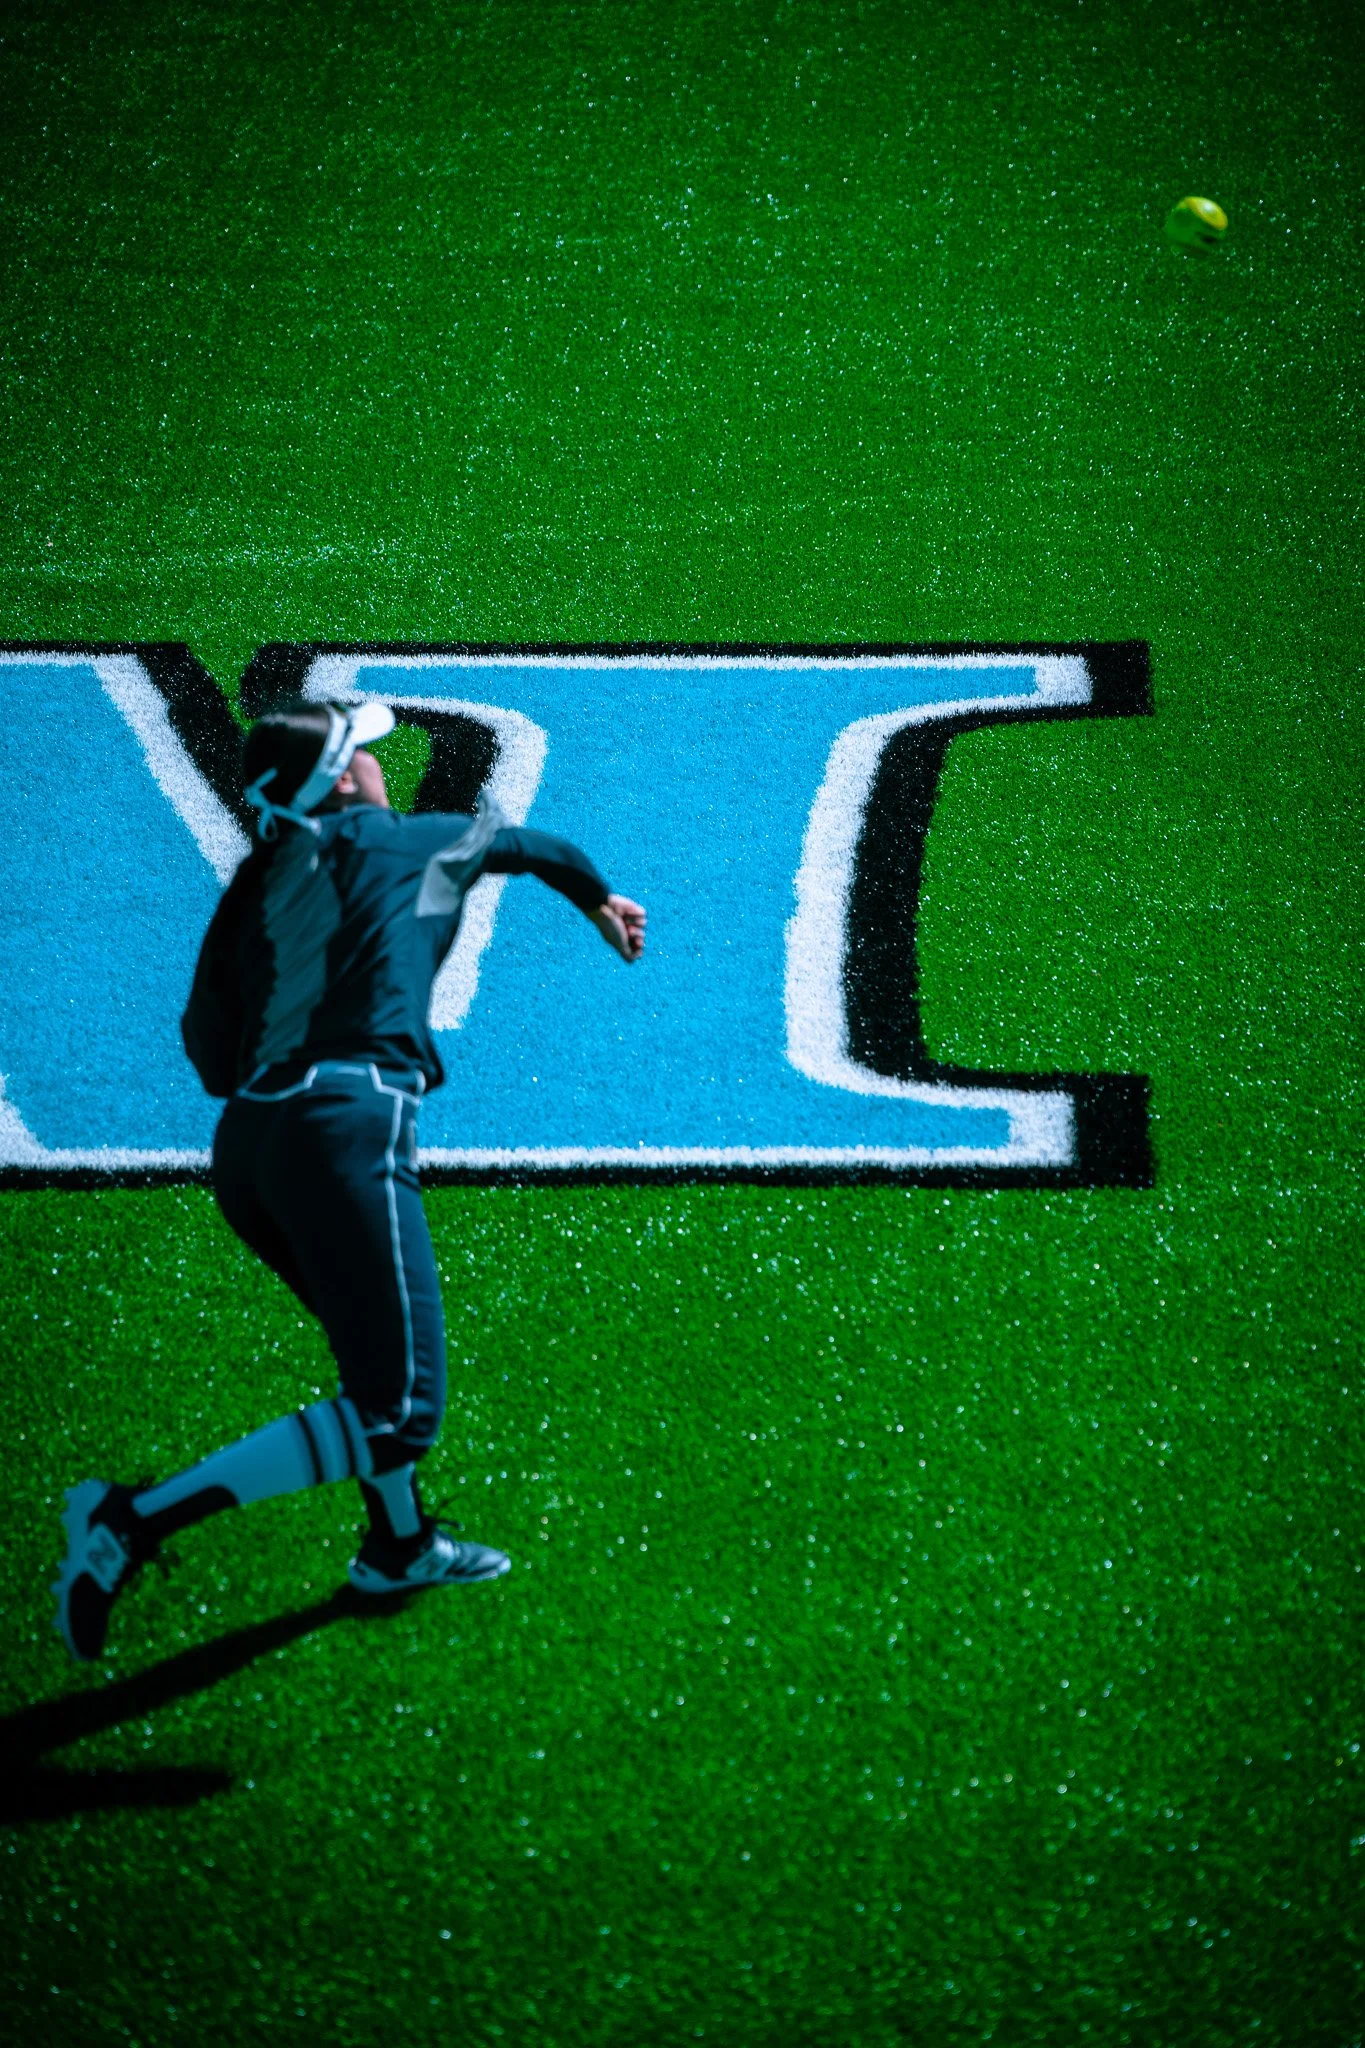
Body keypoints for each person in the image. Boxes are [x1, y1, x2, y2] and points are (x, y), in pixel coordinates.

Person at [53, 697, 645, 1663]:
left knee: (367, 1366)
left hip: (247, 1151)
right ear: (339, 780)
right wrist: (600, 903)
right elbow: (537, 845)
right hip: (347, 1126)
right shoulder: (409, 841)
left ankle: (399, 1547)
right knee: (398, 1411)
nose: (379, 763)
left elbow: (206, 1050)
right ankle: (134, 1518)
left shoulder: (255, 879)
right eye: (364, 752)